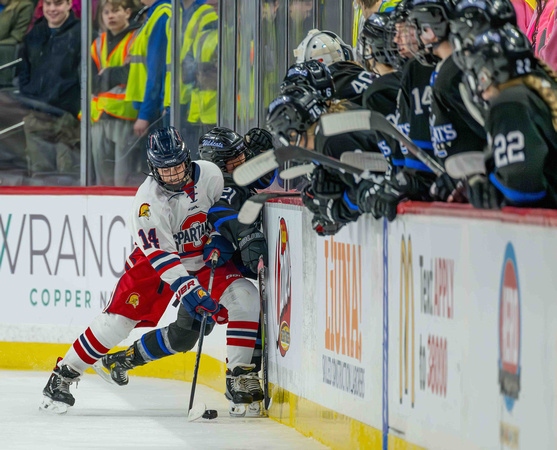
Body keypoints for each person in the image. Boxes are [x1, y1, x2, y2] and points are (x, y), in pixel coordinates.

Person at [40, 126, 235, 414]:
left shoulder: (210, 175)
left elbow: (224, 213)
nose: (172, 175)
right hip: (155, 263)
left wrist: (220, 235)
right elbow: (162, 257)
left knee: (210, 320)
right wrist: (191, 292)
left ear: (188, 158)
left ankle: (238, 373)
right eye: (164, 169)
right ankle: (63, 375)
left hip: (204, 258)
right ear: (152, 168)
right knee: (117, 322)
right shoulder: (146, 203)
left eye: (177, 166)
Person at [101, 127, 272, 417]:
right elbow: (221, 215)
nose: (243, 161)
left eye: (244, 155)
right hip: (191, 271)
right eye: (236, 158)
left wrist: (269, 156)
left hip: (210, 267)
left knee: (241, 304)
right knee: (186, 334)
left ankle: (240, 374)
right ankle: (125, 359)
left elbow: (258, 181)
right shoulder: (210, 184)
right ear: (219, 162)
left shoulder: (216, 179)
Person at [460, 25, 557, 209]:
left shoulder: (510, 103)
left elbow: (521, 192)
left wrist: (485, 189)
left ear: (490, 72)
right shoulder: (539, 88)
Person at [17, 0, 82, 181]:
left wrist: (74, 108)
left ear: (69, 4)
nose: (52, 9)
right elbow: (23, 71)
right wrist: (28, 101)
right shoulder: (34, 34)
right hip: (37, 116)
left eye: (58, 3)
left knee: (68, 174)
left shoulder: (82, 33)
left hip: (67, 118)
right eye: (48, 4)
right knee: (40, 177)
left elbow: (85, 77)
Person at [90, 0, 142, 186]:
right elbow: (87, 79)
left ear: (127, 12)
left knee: (123, 178)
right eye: (106, 12)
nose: (110, 16)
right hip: (99, 115)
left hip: (125, 114)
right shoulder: (98, 43)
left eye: (115, 11)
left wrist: (107, 74)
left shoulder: (136, 38)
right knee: (102, 179)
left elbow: (133, 73)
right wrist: (116, 74)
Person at [125, 0, 170, 137]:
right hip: (149, 105)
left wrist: (145, 114)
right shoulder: (153, 13)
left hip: (154, 109)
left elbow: (156, 70)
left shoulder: (162, 14)